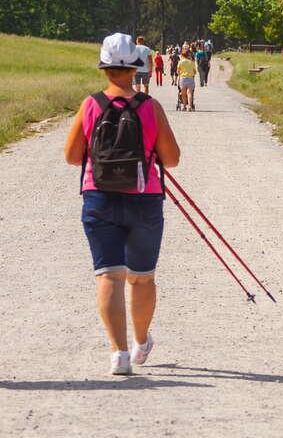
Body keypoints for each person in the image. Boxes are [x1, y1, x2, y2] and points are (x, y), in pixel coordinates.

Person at [64, 33, 181, 376]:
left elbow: (72, 157)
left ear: (104, 68)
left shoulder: (90, 105)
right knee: (142, 278)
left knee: (109, 277)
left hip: (98, 196)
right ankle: (141, 342)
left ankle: (118, 355)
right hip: (144, 199)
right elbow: (171, 160)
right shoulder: (150, 107)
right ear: (135, 66)